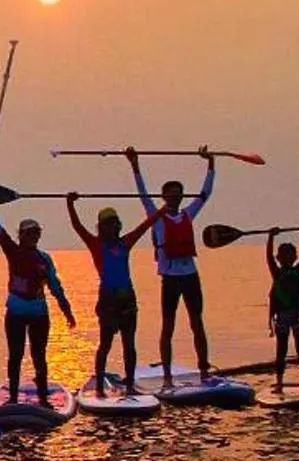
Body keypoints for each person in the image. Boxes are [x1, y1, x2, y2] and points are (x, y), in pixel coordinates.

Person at [130, 145, 217, 387]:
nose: (175, 197)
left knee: (197, 322)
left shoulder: (188, 214)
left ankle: (203, 369)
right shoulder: (156, 216)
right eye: (170, 194)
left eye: (178, 194)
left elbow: (205, 193)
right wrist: (134, 164)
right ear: (165, 197)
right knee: (168, 325)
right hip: (169, 277)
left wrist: (210, 164)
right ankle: (167, 374)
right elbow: (142, 194)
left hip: (190, 275)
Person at [0, 201, 77, 401]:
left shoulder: (44, 259)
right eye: (29, 233)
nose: (33, 237)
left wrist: (67, 311)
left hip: (39, 313)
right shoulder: (13, 251)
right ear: (21, 236)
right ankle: (13, 397)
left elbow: (56, 287)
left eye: (35, 233)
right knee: (15, 355)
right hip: (15, 313)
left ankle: (42, 396)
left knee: (39, 355)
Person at [67, 195, 155, 394]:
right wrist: (70, 204)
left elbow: (147, 224)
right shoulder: (96, 245)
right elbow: (77, 226)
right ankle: (99, 387)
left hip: (127, 300)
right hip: (108, 300)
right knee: (105, 344)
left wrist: (164, 210)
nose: (113, 228)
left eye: (115, 224)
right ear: (101, 227)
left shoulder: (125, 243)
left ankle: (131, 386)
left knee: (129, 344)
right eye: (108, 224)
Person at [265, 228, 299, 394]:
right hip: (282, 316)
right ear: (279, 259)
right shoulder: (276, 272)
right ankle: (279, 384)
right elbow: (268, 258)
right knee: (281, 350)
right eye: (284, 256)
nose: (287, 258)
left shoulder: (298, 270)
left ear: (294, 257)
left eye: (290, 255)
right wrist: (270, 237)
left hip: (298, 315)